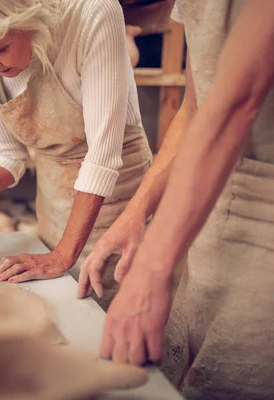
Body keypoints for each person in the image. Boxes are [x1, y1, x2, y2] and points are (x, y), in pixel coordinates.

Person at [77, 1, 274, 398]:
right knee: (183, 368)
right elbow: (196, 110)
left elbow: (237, 103)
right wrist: (136, 214)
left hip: (266, 217)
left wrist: (153, 268)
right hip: (210, 203)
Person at [0, 0, 152, 310]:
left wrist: (62, 255)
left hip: (118, 210)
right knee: (64, 321)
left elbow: (103, 157)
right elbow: (10, 153)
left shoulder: (92, 13)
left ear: (30, 20)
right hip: (54, 218)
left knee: (117, 328)